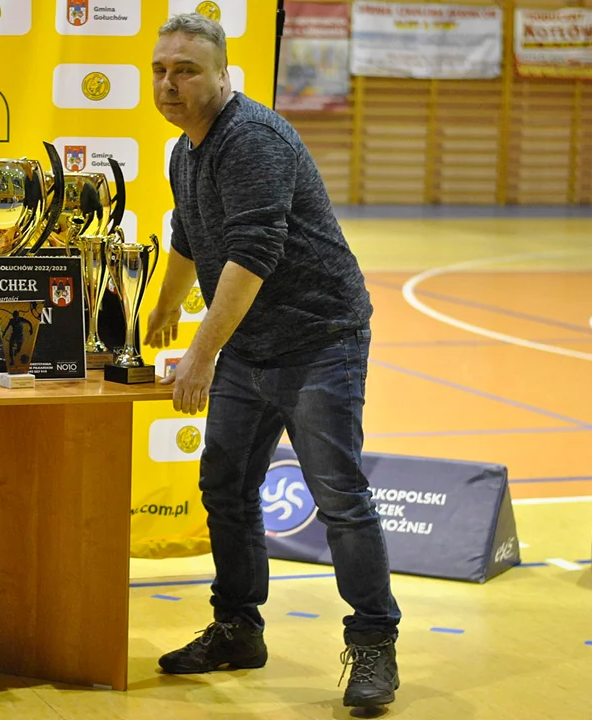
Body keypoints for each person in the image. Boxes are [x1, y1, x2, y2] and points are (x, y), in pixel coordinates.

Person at [143, 13, 401, 709]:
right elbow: (191, 237)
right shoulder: (185, 150)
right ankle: (237, 629)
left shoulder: (251, 139)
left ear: (223, 73)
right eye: (161, 69)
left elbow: (252, 256)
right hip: (250, 346)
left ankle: (375, 643)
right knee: (225, 489)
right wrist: (165, 307)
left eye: (186, 70)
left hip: (320, 342)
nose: (169, 83)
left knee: (340, 498)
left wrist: (200, 354)